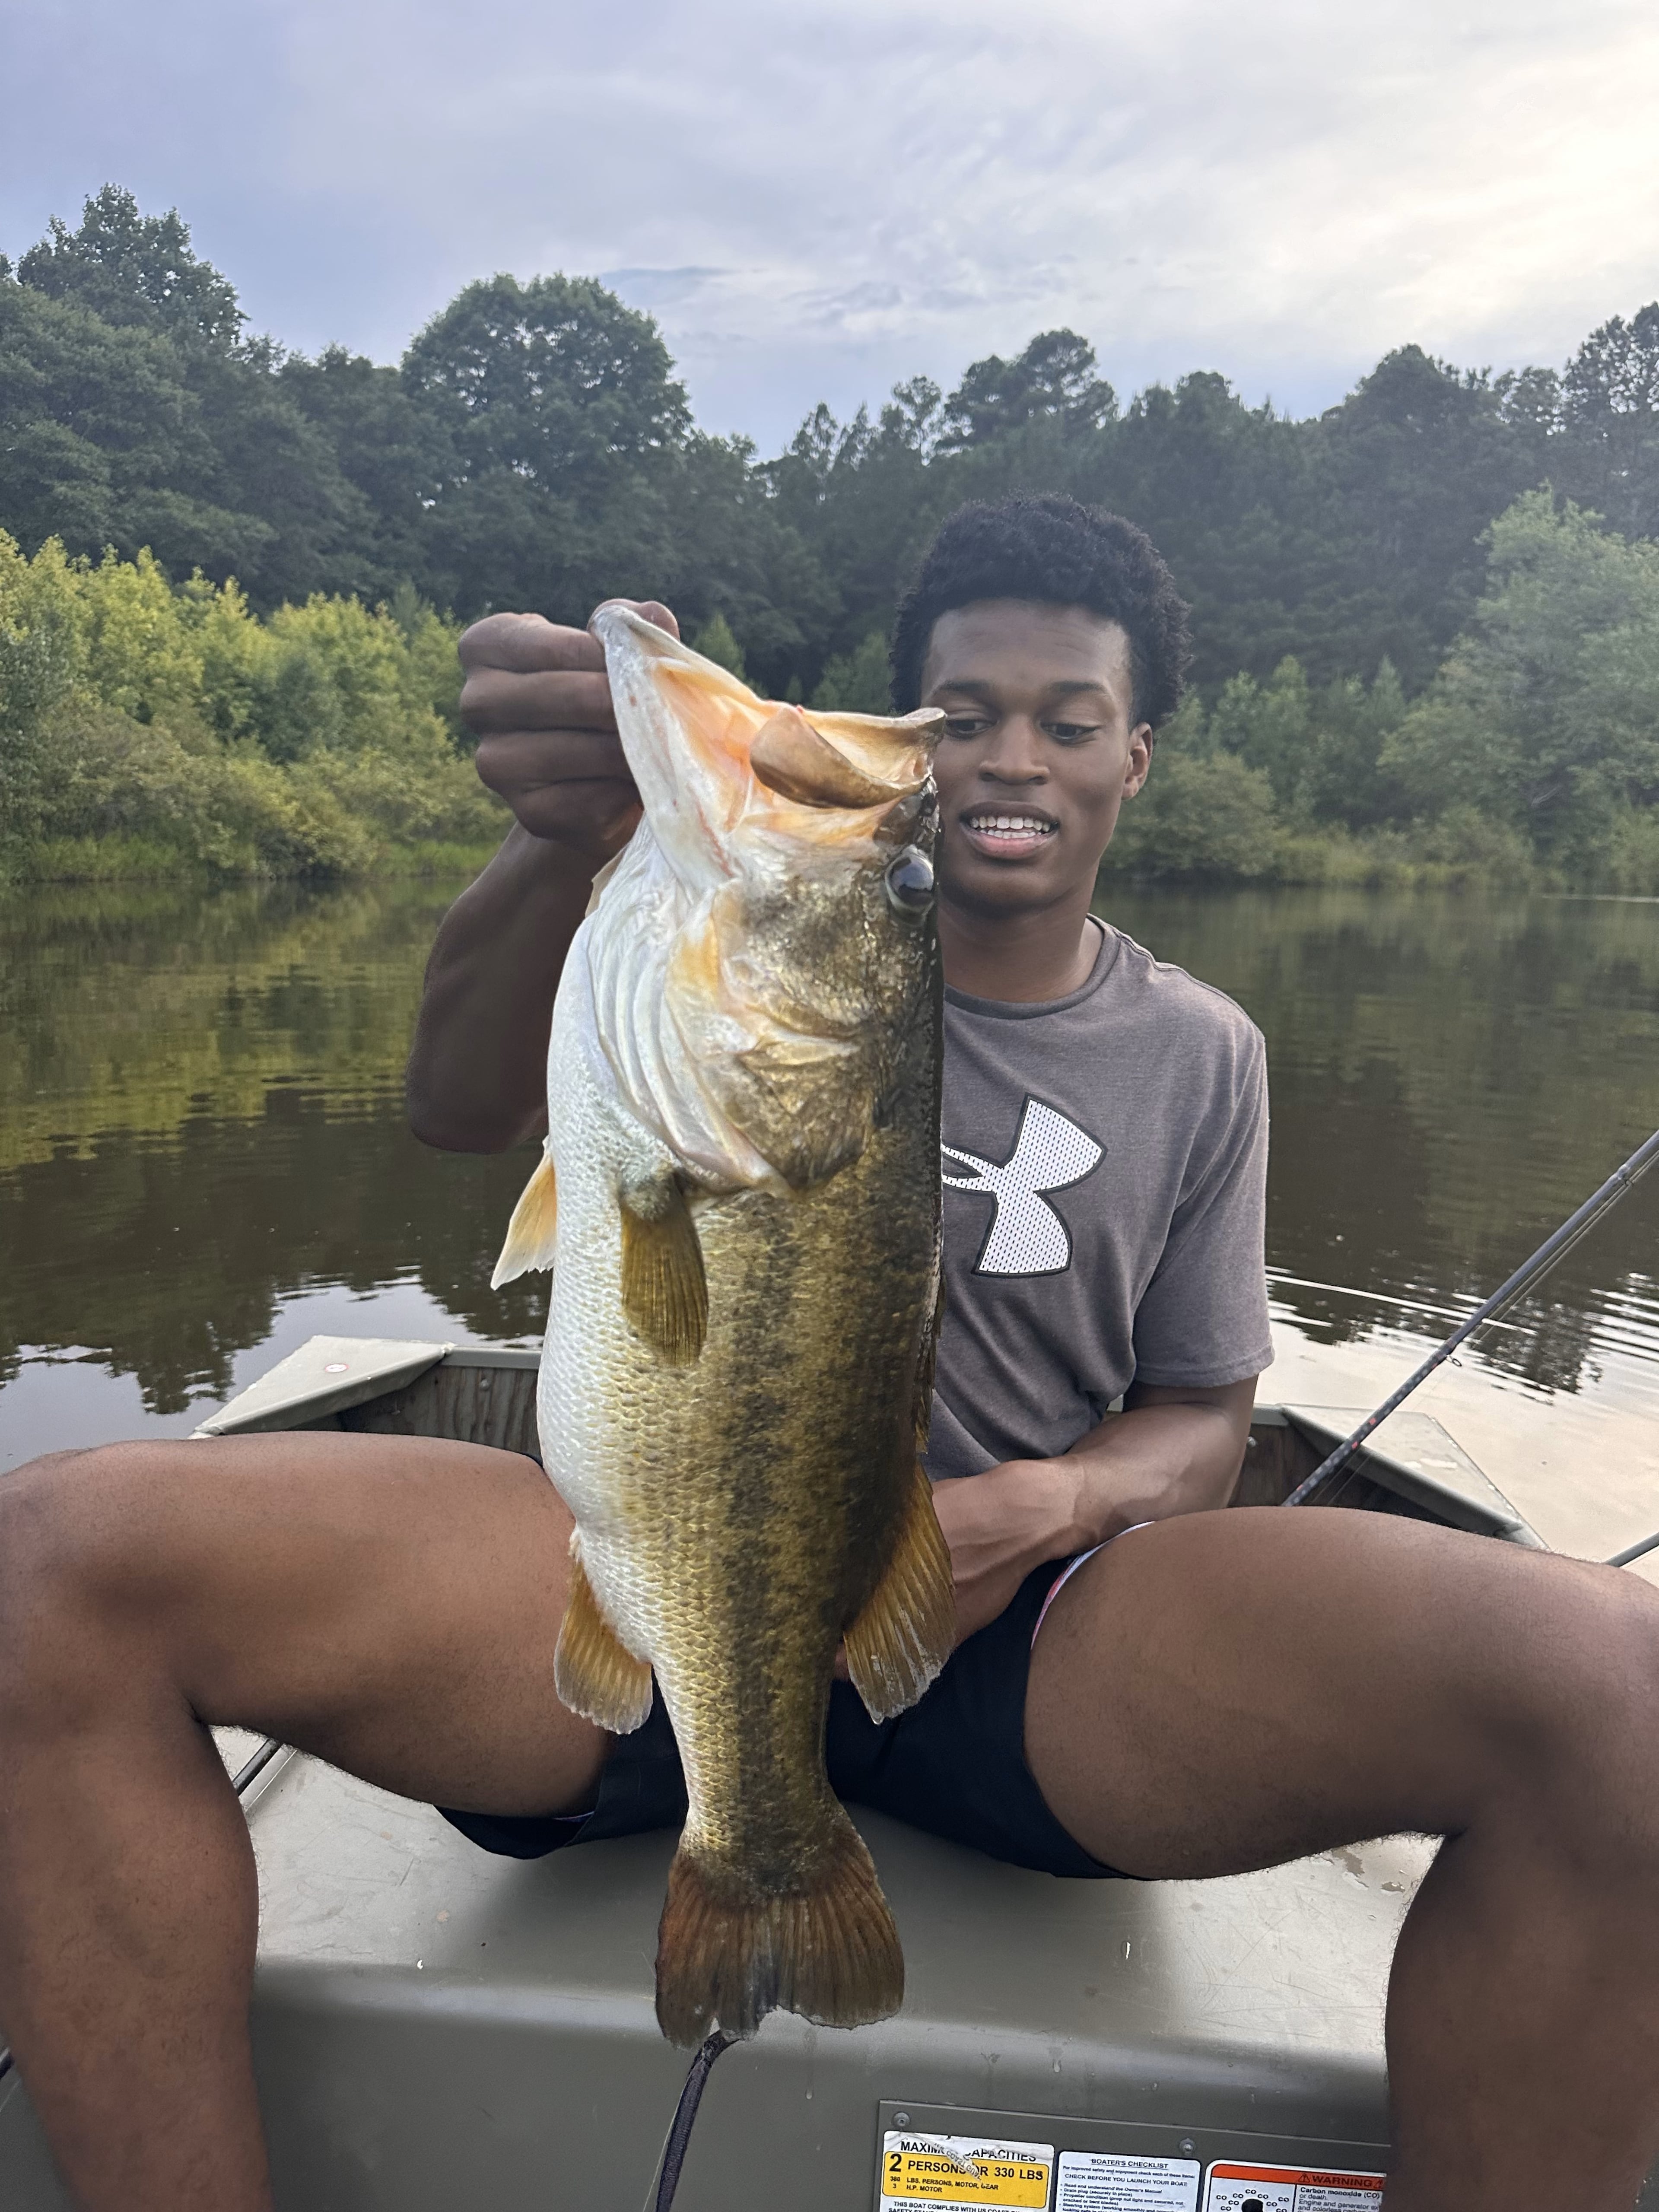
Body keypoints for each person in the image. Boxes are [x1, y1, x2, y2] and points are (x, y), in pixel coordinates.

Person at [1, 495, 1658, 2212]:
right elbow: (453, 1106)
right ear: (916, 746)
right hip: (656, 1567)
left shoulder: (1202, 1053)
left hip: (1024, 1637)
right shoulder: (719, 941)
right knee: (49, 1560)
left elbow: (1203, 1423)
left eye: (1069, 720)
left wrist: (1043, 1503)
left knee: (1626, 1690)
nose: (1015, 756)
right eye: (963, 715)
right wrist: (558, 835)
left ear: (1136, 756)